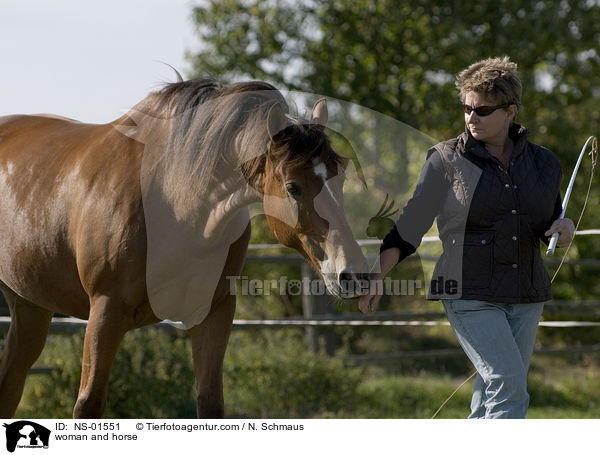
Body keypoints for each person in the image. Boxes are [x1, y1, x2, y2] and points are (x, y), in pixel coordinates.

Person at [358, 56, 575, 419]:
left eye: (482, 110)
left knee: (493, 393)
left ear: (511, 111)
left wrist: (564, 228)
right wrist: (377, 274)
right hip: (467, 292)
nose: (471, 118)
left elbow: (548, 220)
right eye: (466, 108)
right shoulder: (445, 160)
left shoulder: (545, 163)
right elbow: (411, 224)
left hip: (526, 293)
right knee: (509, 388)